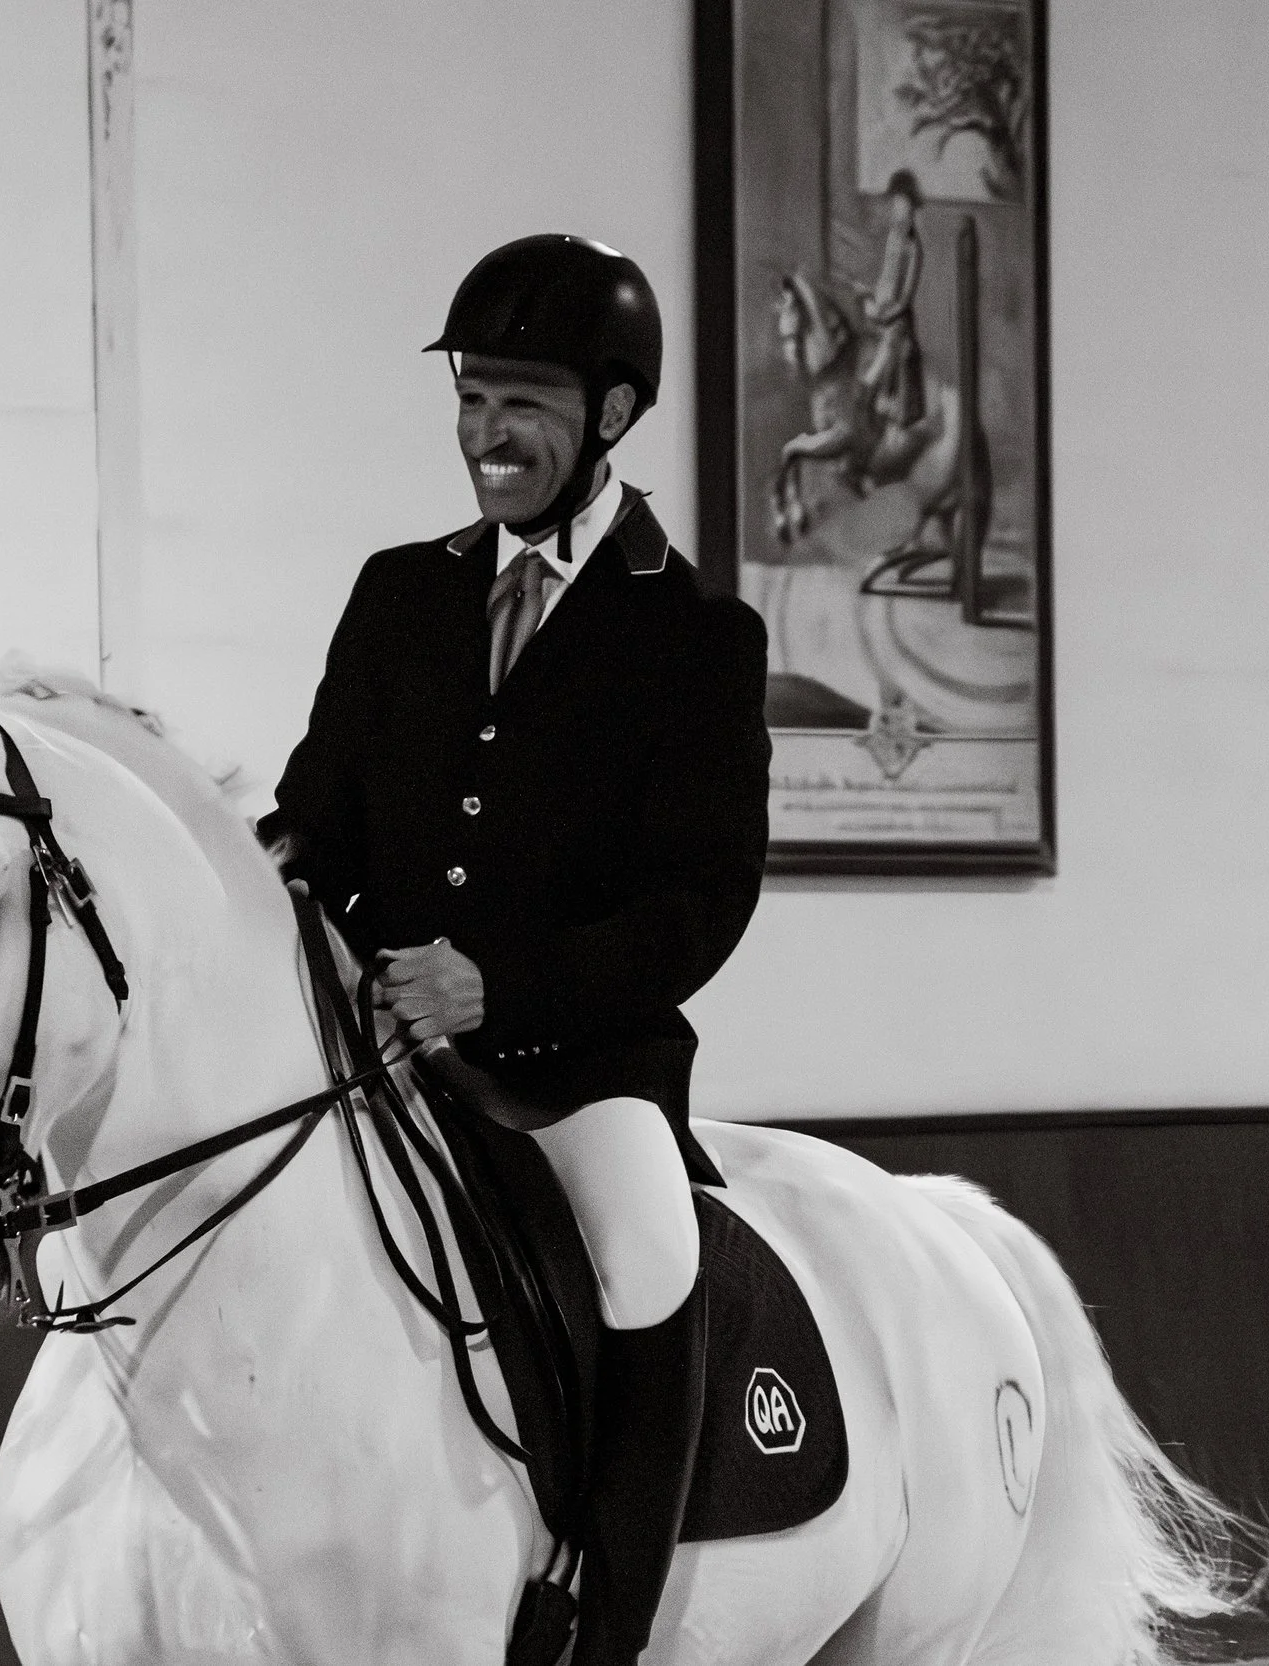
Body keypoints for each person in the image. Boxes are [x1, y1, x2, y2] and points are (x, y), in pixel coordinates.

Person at [260, 233, 770, 1665]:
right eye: (473, 398)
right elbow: (319, 818)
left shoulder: (696, 634)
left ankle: (603, 1618)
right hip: (393, 1060)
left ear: (610, 414)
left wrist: (507, 987)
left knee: (652, 1255)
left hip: (582, 1071)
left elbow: (702, 899)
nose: (488, 433)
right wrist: (267, 892)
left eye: (523, 402)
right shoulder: (399, 594)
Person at [857, 168, 927, 435]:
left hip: (897, 321)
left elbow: (904, 299)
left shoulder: (914, 249)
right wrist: (871, 299)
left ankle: (881, 410)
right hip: (880, 312)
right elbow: (884, 280)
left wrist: (883, 315)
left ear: (913, 210)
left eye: (906, 207)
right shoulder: (892, 239)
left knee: (883, 359)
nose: (901, 212)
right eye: (897, 205)